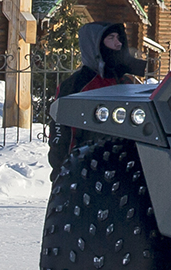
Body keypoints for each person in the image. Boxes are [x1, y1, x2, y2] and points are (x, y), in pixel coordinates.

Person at [47, 21, 149, 171]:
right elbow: (63, 133)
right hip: (86, 168)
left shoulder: (126, 82)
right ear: (95, 45)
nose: (118, 44)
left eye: (119, 38)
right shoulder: (76, 85)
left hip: (126, 167)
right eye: (111, 38)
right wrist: (63, 169)